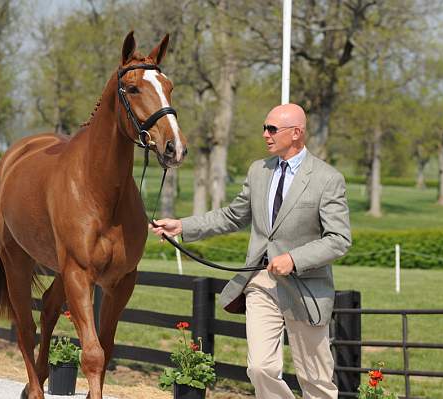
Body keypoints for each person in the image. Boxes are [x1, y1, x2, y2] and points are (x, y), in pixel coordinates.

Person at [150, 103, 351, 399]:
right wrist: (183, 226)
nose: (265, 134)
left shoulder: (327, 178)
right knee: (260, 369)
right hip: (260, 283)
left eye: (272, 129)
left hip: (306, 290)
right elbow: (233, 216)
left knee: (316, 380)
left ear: (296, 133)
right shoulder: (259, 171)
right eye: (264, 127)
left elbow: (339, 239)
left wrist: (295, 259)